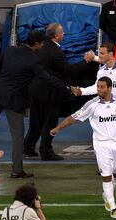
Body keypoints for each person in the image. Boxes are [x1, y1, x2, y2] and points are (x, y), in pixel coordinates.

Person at [51, 77, 116, 219]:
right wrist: (58, 128)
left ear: (110, 88)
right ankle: (113, 207)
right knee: (106, 175)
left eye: (102, 87)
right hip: (101, 145)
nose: (99, 90)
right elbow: (73, 118)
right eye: (98, 87)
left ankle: (107, 194)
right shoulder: (92, 104)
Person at [0, 30, 69, 178]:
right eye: (42, 43)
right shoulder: (33, 60)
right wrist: (67, 87)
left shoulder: (10, 50)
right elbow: (47, 78)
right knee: (17, 136)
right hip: (14, 101)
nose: (43, 45)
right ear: (36, 44)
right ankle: (17, 170)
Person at [24, 23, 95, 161]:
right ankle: (46, 151)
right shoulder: (56, 52)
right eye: (62, 33)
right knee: (50, 123)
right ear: (56, 36)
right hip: (51, 92)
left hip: (36, 90)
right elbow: (70, 71)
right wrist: (85, 61)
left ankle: (28, 148)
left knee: (36, 122)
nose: (64, 34)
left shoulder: (41, 47)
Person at [73, 42, 116, 173]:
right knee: (112, 137)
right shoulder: (102, 71)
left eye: (102, 53)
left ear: (111, 54)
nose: (99, 56)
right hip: (109, 109)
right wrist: (82, 91)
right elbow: (96, 88)